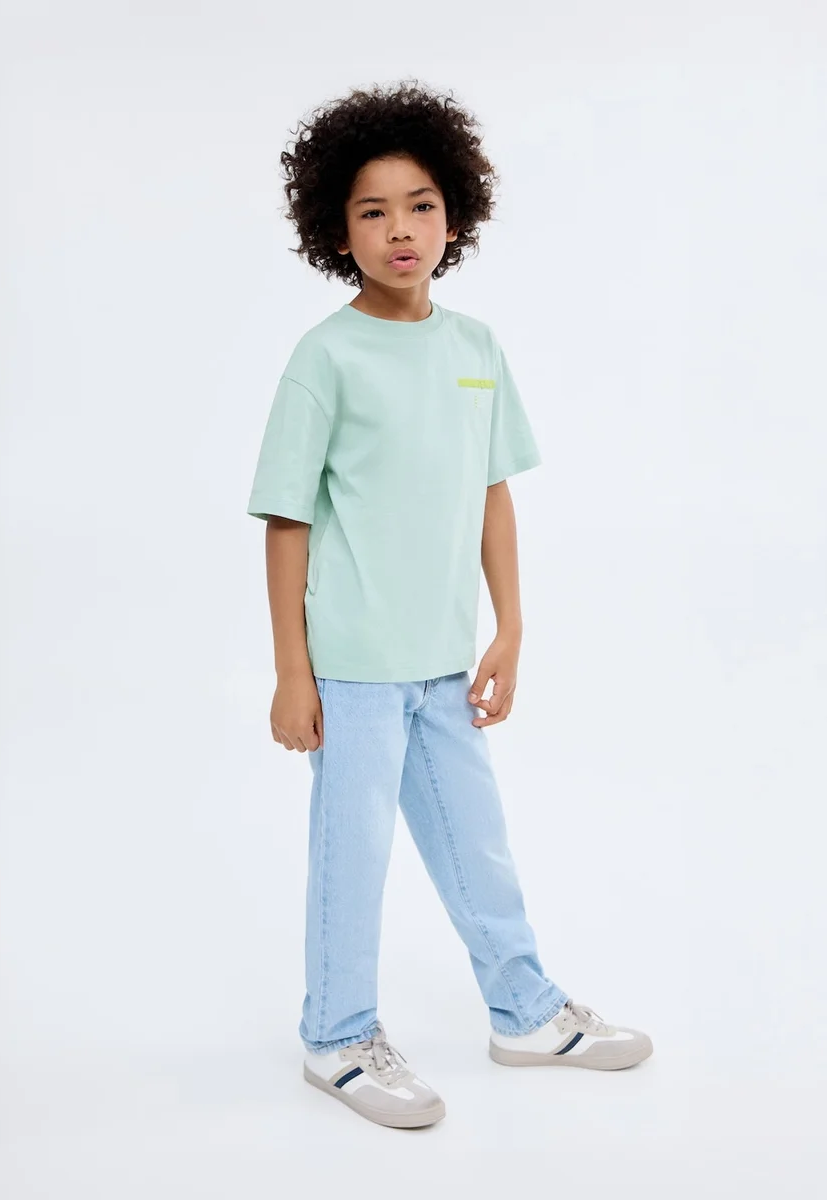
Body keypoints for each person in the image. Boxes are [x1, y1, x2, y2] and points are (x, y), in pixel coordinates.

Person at [246, 80, 652, 1130]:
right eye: (373, 211)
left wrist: (511, 626)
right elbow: (287, 520)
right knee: (354, 856)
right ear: (337, 231)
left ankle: (525, 1012)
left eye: (420, 206)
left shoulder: (475, 349)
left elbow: (490, 494)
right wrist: (292, 672)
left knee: (479, 844)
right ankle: (337, 1037)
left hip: (441, 662)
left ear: (454, 216)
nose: (401, 230)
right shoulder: (325, 357)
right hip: (351, 667)